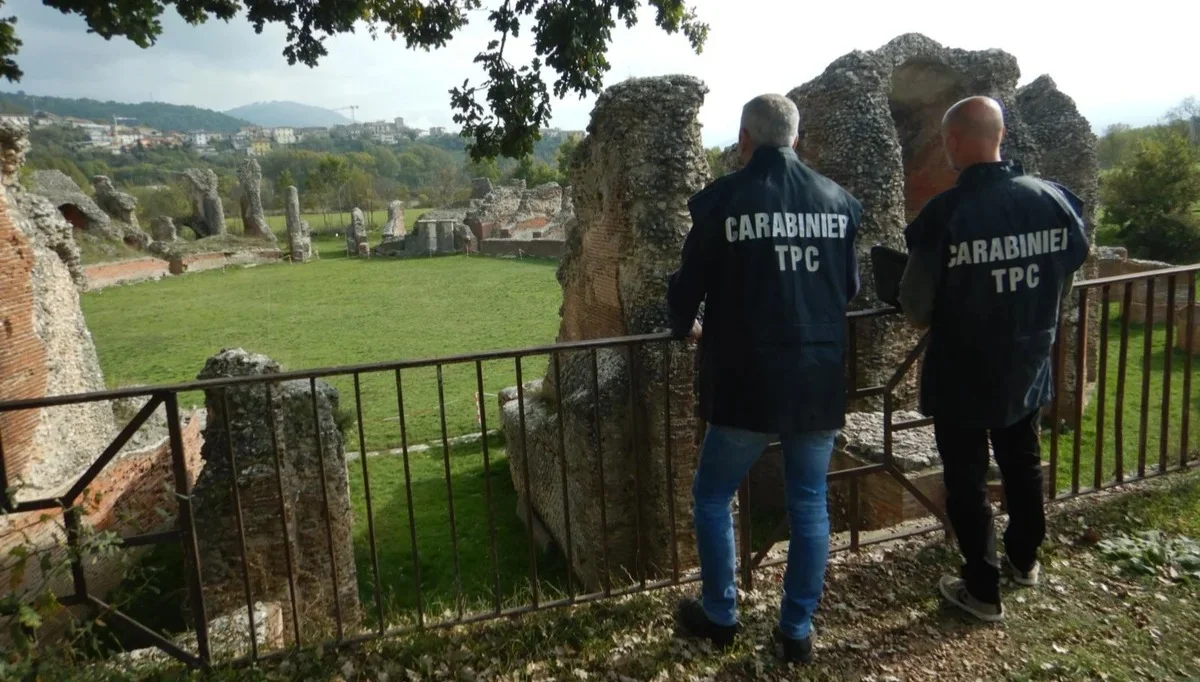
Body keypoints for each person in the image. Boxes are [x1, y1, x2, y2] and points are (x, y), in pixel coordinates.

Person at [665, 93, 862, 664]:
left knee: (712, 493)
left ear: (745, 140)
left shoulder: (721, 202)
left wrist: (685, 325)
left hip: (748, 375)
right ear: (795, 139)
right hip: (817, 374)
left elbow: (687, 290)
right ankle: (796, 630)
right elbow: (846, 288)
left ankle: (721, 614)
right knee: (809, 503)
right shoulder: (837, 202)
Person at [899, 96, 1088, 622]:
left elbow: (916, 306)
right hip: (1026, 360)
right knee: (1022, 464)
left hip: (963, 369)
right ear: (999, 136)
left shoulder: (947, 213)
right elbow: (1067, 275)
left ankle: (981, 589)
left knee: (967, 479)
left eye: (945, 141)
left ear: (956, 142)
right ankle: (1024, 560)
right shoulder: (1053, 200)